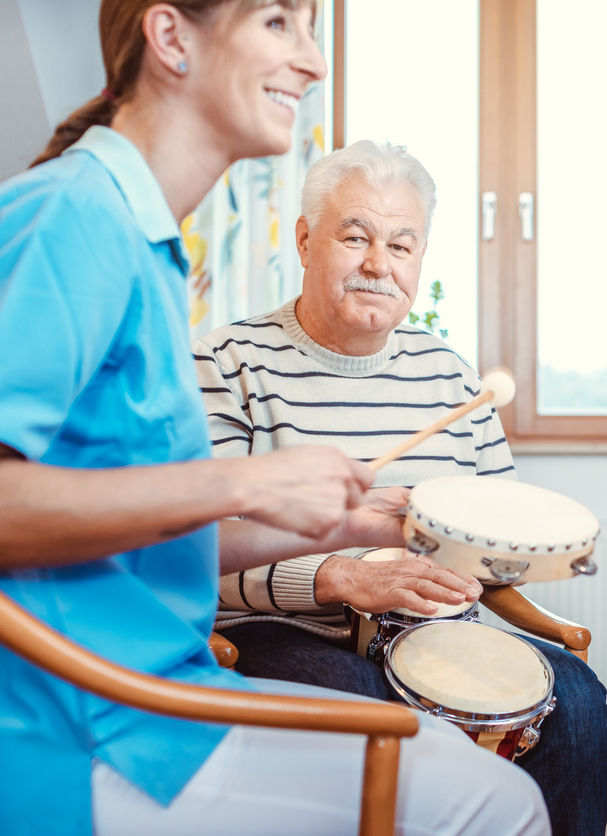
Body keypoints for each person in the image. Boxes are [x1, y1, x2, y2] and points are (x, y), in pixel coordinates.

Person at [0, 3, 546, 835]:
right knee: (489, 800)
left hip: (159, 700)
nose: (315, 62)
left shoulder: (140, 237)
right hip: (87, 731)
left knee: (475, 776)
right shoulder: (76, 217)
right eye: (278, 23)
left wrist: (343, 522)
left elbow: (138, 534)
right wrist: (239, 479)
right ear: (172, 37)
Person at [195, 138, 607, 836]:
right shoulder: (227, 362)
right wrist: (337, 578)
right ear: (304, 240)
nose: (377, 264)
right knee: (379, 714)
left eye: (401, 245)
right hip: (285, 630)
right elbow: (191, 551)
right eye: (354, 236)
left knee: (574, 696)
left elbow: (497, 532)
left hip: (436, 632)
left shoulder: (448, 376)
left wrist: (519, 558)